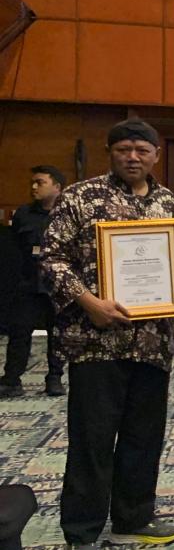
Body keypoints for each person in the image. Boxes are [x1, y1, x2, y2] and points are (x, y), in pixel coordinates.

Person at [41, 118, 174, 550]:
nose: (133, 157)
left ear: (157, 155)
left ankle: (133, 518)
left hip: (152, 341)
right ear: (110, 152)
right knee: (92, 439)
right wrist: (90, 303)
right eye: (124, 149)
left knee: (144, 435)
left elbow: (170, 265)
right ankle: (82, 532)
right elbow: (50, 260)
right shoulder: (80, 197)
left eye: (142, 150)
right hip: (95, 340)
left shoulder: (167, 201)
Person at [2, 165, 67, 397]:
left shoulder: (68, 214)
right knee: (19, 331)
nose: (34, 187)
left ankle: (54, 378)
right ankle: (11, 380)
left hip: (57, 285)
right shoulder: (23, 213)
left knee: (57, 334)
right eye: (33, 182)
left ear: (57, 187)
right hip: (28, 283)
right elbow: (16, 247)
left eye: (40, 182)